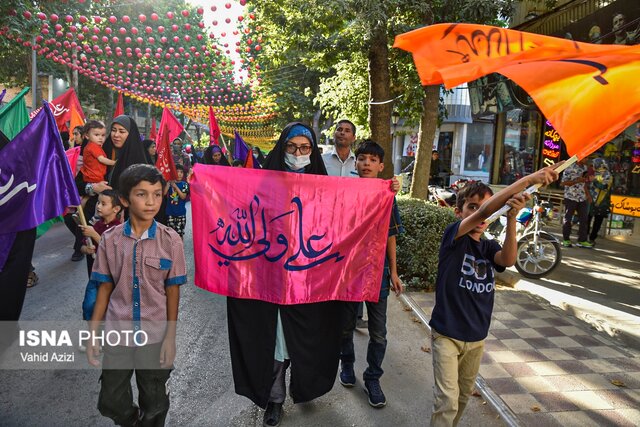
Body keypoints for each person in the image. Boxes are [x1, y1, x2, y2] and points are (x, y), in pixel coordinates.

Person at [227, 123, 343, 427]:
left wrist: (386, 193)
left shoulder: (326, 187)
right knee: (276, 341)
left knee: (304, 339)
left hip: (312, 280)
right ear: (282, 148)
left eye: (305, 148)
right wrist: (199, 182)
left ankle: (303, 385)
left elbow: (349, 213)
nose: (298, 154)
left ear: (313, 151)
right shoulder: (262, 183)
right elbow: (235, 207)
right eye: (292, 148)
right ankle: (275, 399)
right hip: (272, 278)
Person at [429, 166, 559, 426]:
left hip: (476, 337)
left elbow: (508, 259)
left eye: (485, 206)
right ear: (459, 212)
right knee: (447, 400)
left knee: (463, 396)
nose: (480, 212)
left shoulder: (488, 246)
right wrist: (528, 180)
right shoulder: (454, 236)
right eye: (472, 207)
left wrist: (511, 217)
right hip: (446, 334)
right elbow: (485, 212)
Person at [87, 164, 187, 426]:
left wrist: (170, 338)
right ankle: (131, 421)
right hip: (117, 332)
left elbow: (172, 291)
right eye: (142, 194)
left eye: (156, 194)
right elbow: (104, 288)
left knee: (155, 403)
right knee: (110, 400)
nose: (151, 202)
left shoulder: (171, 241)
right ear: (124, 199)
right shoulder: (110, 240)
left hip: (154, 336)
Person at [339, 140, 404, 408]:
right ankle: (347, 365)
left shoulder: (387, 194)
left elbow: (390, 235)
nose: (366, 163)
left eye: (372, 159)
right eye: (362, 158)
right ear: (355, 164)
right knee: (344, 327)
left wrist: (395, 272)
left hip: (379, 274)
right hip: (348, 272)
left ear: (381, 165)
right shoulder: (345, 192)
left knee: (379, 332)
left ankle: (373, 377)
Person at [321, 120, 367, 327]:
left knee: (351, 270)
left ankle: (352, 316)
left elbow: (370, 189)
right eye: (339, 129)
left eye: (347, 130)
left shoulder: (360, 164)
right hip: (323, 227)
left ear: (353, 137)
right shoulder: (320, 161)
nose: (342, 133)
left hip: (351, 230)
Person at [78, 190, 122, 321]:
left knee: (111, 307)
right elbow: (82, 247)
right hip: (95, 274)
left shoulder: (118, 228)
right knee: (88, 305)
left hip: (110, 277)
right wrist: (86, 249)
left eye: (103, 204)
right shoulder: (96, 225)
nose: (98, 206)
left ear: (116, 209)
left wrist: (94, 235)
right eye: (98, 202)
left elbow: (114, 250)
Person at [78, 121, 116, 207]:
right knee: (100, 196)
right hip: (95, 176)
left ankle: (79, 213)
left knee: (88, 196)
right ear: (87, 136)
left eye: (103, 135)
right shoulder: (94, 146)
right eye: (97, 135)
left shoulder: (92, 146)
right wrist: (115, 162)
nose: (100, 138)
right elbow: (101, 159)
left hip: (90, 175)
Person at [560, 158, 593, 248]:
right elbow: (563, 183)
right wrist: (576, 181)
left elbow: (584, 184)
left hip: (582, 197)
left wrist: (588, 195)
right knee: (568, 219)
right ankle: (566, 239)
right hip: (571, 197)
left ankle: (582, 240)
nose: (587, 159)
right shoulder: (569, 168)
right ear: (580, 158)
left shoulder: (585, 168)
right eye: (586, 157)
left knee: (584, 219)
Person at [588, 158, 613, 246]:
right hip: (591, 201)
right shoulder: (595, 173)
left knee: (597, 222)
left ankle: (592, 238)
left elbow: (604, 187)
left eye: (594, 164)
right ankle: (584, 238)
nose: (593, 166)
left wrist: (594, 181)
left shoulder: (607, 175)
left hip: (602, 203)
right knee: (587, 219)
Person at [165, 165, 189, 239]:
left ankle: (180, 250)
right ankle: (172, 250)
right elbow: (163, 193)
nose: (179, 174)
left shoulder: (185, 185)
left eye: (181, 172)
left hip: (181, 214)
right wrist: (168, 184)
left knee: (180, 234)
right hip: (170, 213)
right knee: (170, 235)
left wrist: (175, 186)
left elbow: (183, 196)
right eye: (177, 172)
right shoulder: (169, 183)